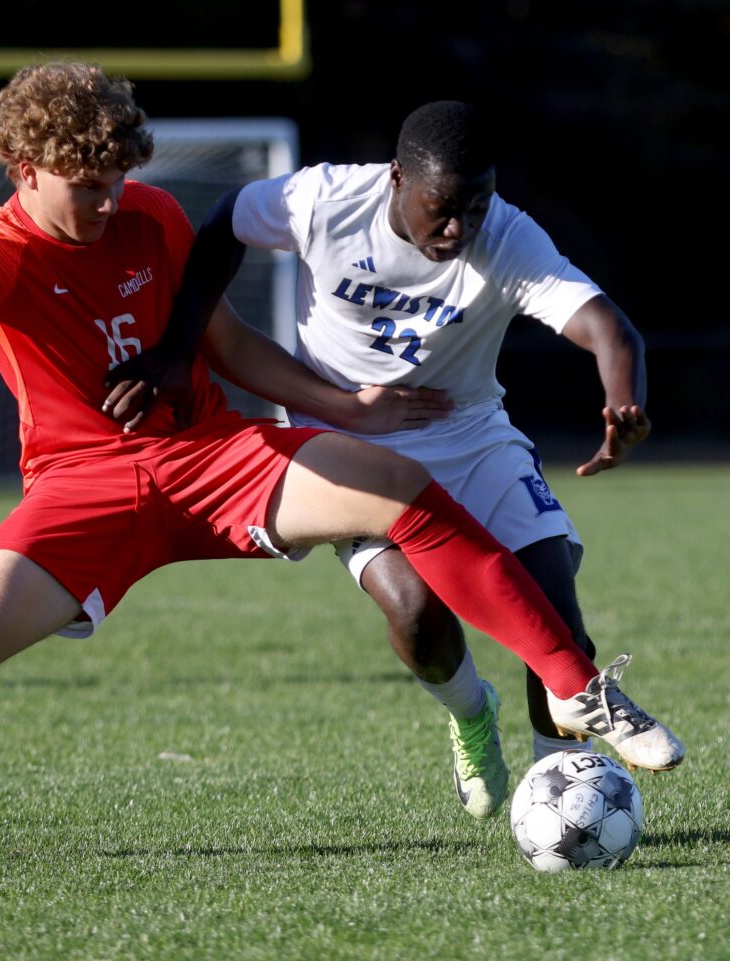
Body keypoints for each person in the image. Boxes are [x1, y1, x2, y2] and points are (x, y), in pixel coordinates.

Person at [0, 67, 681, 869]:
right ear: (24, 172)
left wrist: (343, 408)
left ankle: (575, 686)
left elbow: (231, 344)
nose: (105, 202)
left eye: (117, 180)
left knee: (399, 488)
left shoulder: (153, 216)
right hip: (82, 485)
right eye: (85, 187)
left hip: (212, 458)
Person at [102, 100, 674, 822]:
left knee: (556, 613)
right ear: (397, 179)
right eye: (442, 207)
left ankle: (560, 798)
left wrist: (624, 404)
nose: (460, 227)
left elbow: (608, 327)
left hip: (470, 433)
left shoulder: (507, 235)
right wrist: (180, 350)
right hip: (351, 445)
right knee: (417, 613)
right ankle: (471, 713)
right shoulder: (322, 199)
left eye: (476, 204)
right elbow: (222, 225)